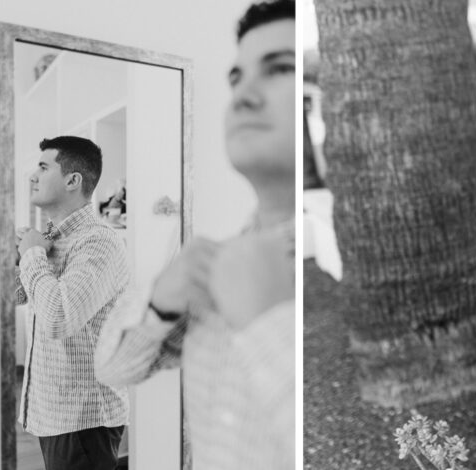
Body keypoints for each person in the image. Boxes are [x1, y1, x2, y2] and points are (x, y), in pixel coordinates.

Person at [94, 1, 295, 469]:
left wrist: (267, 322)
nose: (243, 95)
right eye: (235, 78)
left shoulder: (321, 273)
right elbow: (113, 369)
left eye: (280, 68)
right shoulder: (212, 269)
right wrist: (161, 300)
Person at [15, 136, 129, 470]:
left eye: (43, 167)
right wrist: (22, 255)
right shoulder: (52, 238)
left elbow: (57, 318)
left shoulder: (98, 242)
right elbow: (20, 297)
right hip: (53, 412)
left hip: (83, 418)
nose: (32, 177)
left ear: (72, 180)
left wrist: (34, 254)